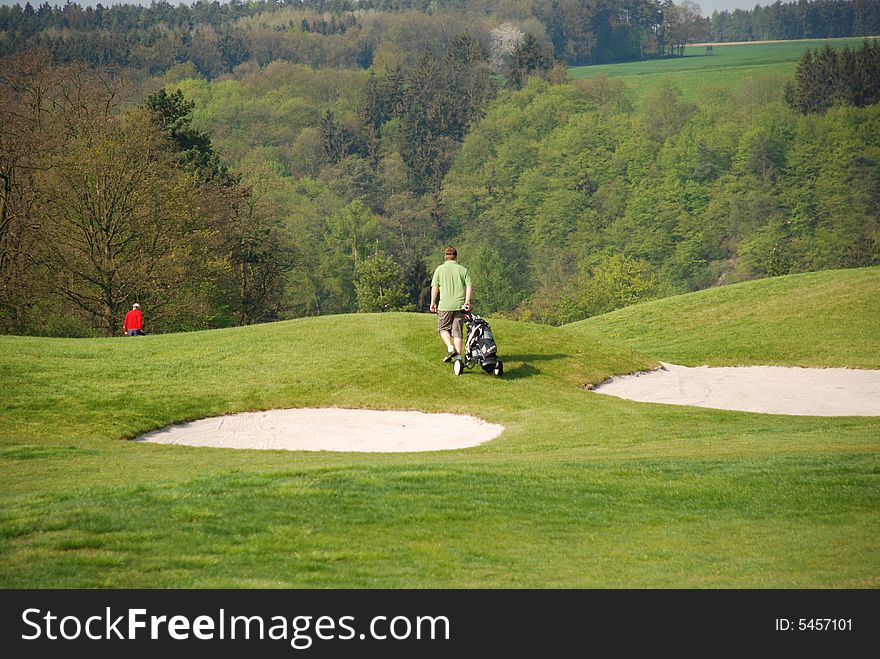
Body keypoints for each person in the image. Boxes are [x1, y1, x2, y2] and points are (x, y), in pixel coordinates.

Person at [429, 246, 472, 362]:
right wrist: (467, 301)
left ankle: (450, 347)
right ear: (456, 256)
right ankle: (458, 357)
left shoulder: (439, 269)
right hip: (459, 305)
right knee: (457, 331)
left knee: (442, 328)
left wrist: (433, 302)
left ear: (445, 256)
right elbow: (469, 286)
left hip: (445, 305)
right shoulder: (463, 270)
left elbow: (435, 287)